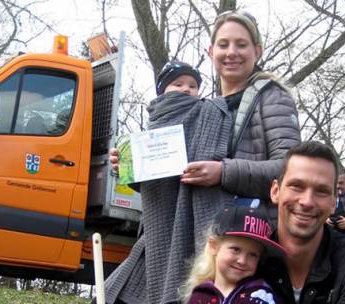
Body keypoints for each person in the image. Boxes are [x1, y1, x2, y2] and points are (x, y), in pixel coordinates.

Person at [105, 11, 301, 304]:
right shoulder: (205, 108)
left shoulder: (273, 98)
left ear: (256, 51)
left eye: (241, 44)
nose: (231, 52)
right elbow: (179, 180)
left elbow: (291, 173)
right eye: (223, 45)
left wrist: (223, 172)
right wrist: (133, 169)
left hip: (242, 248)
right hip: (189, 242)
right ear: (211, 52)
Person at [259, 141, 345, 303]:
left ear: (333, 203)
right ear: (275, 192)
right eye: (297, 186)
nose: (307, 201)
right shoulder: (250, 258)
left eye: (321, 191)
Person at [181, 205, 286, 304]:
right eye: (235, 249)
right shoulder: (199, 296)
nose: (242, 261)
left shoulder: (263, 297)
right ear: (213, 246)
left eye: (253, 255)